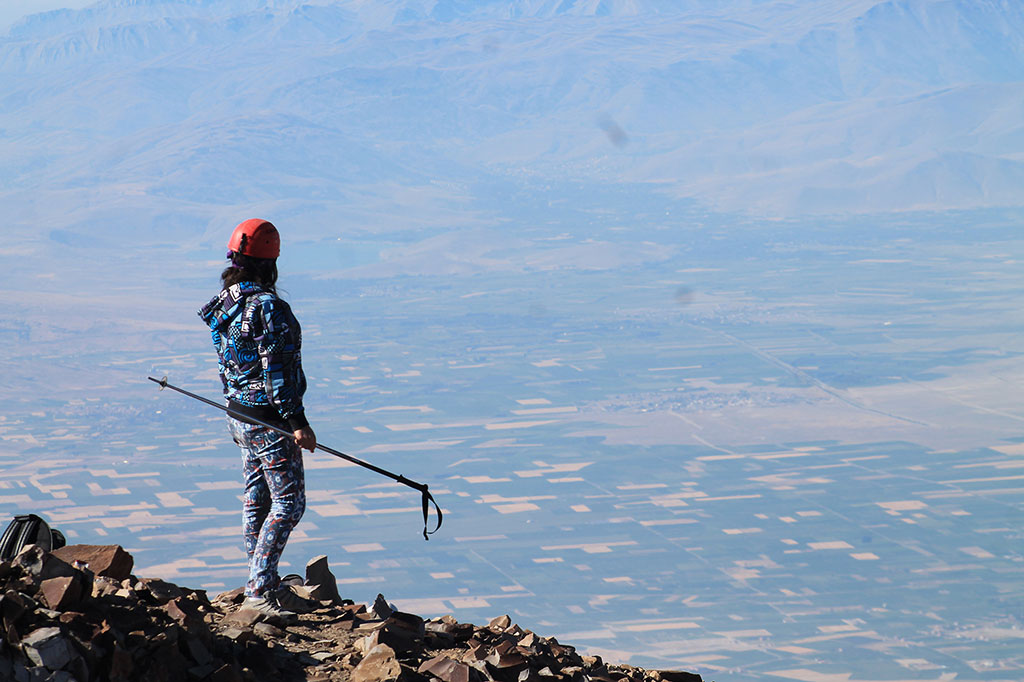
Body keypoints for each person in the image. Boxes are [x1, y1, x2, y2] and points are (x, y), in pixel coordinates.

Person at [198, 218, 316, 618]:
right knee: (288, 503)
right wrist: (297, 421)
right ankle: (260, 587)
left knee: (257, 495)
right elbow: (277, 373)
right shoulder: (270, 308)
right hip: (269, 419)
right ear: (271, 263)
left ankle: (260, 578)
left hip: (239, 415)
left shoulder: (225, 304)